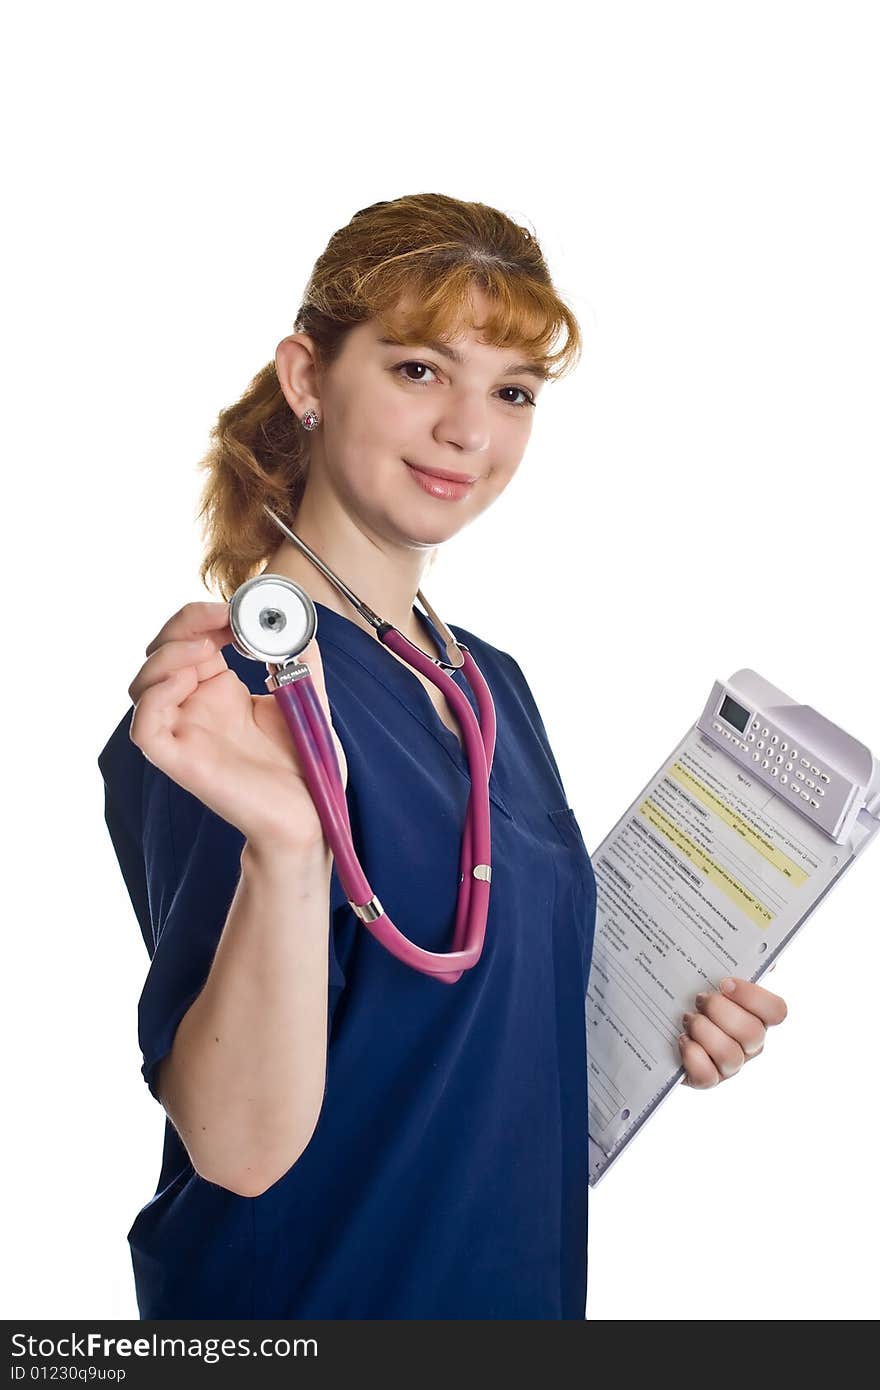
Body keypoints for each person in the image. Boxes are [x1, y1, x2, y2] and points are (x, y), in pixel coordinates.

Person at [97, 192, 788, 1320]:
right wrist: (287, 838)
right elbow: (232, 1144)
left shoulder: (486, 685)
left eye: (510, 391)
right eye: (420, 370)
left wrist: (661, 1025)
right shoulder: (235, 692)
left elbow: (467, 1031)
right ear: (307, 378)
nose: (470, 429)